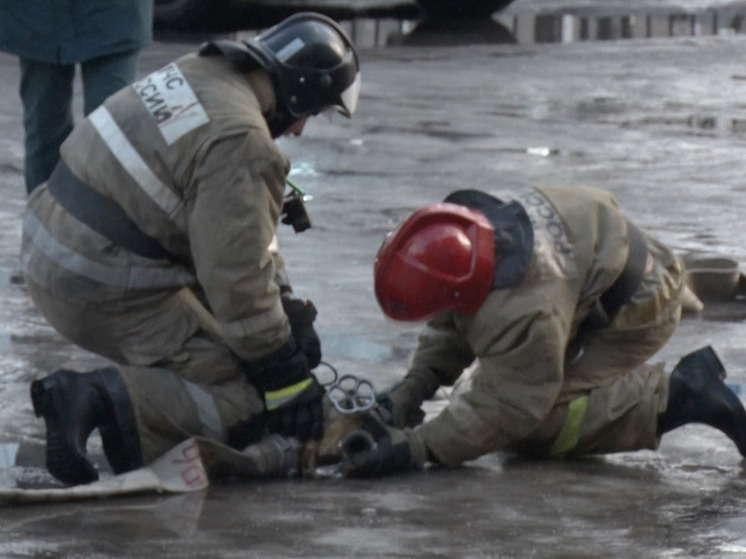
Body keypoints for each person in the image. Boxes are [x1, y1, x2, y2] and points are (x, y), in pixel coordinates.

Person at [22, 12, 362, 486]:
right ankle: (96, 398)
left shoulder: (205, 75)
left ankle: (112, 400)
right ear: (298, 91)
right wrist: (282, 372)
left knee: (243, 341)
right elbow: (237, 282)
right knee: (247, 394)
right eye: (312, 113)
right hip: (96, 276)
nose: (302, 130)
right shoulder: (242, 143)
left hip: (54, 241)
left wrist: (284, 305)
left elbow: (236, 232)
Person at [338, 186, 746, 477]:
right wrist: (414, 387)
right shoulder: (472, 241)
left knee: (536, 427)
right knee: (478, 402)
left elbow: (507, 408)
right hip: (610, 269)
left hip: (638, 311)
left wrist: (415, 448)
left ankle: (682, 394)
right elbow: (453, 323)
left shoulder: (524, 307)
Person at [0, 0, 154, 194]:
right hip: (38, 17)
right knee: (44, 131)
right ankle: (45, 219)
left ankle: (108, 222)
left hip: (115, 16)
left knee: (111, 134)